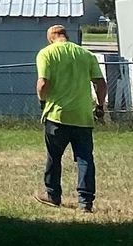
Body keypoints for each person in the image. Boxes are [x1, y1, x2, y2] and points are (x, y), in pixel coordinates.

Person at [36, 21, 106, 211]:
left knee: (54, 157)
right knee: (85, 159)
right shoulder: (85, 54)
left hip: (56, 115)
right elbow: (100, 83)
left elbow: (42, 84)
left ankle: (53, 195)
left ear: (51, 39)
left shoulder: (47, 53)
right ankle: (85, 202)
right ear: (66, 36)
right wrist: (100, 106)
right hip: (83, 116)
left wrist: (42, 103)